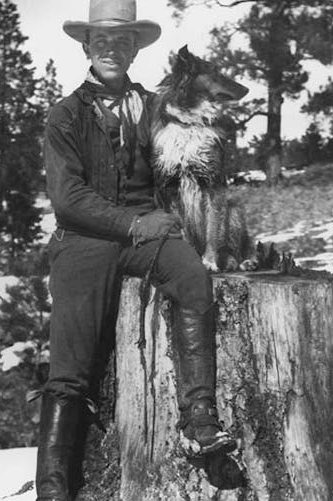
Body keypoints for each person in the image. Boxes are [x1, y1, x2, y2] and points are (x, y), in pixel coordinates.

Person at [36, 1, 236, 500]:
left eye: (121, 43)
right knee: (69, 370)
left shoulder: (153, 107)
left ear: (133, 50)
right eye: (102, 43)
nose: (111, 51)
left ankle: (199, 418)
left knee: (193, 278)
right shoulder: (64, 116)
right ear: (86, 47)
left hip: (148, 237)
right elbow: (69, 200)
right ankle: (53, 490)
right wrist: (135, 222)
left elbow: (187, 158)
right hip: (85, 241)